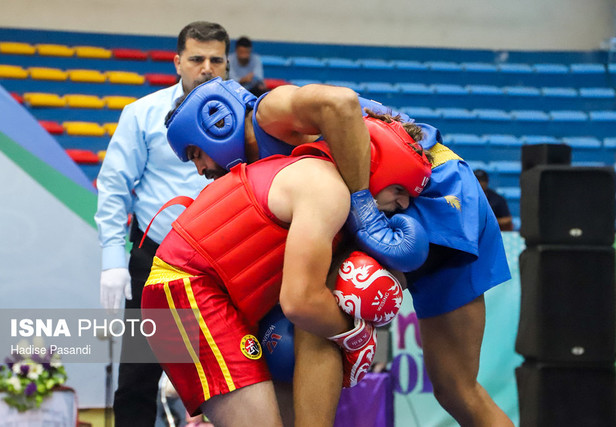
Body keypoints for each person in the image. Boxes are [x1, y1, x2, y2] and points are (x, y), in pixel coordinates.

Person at [167, 77, 515, 426]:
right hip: (460, 195)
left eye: (196, 153)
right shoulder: (270, 173)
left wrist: (363, 206)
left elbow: (343, 103)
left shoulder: (268, 112)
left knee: (314, 306)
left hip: (424, 190)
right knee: (456, 389)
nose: (200, 169)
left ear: (215, 122)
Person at [143, 110, 432, 426]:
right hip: (185, 292)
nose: (403, 205)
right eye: (400, 188)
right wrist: (356, 336)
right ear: (379, 164)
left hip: (210, 297)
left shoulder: (320, 185)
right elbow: (300, 302)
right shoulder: (327, 188)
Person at [94, 21, 229, 427]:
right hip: (157, 259)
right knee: (140, 377)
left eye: (216, 60)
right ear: (177, 62)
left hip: (228, 261)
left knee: (229, 371)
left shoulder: (249, 114)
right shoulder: (143, 114)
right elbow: (115, 187)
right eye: (196, 59)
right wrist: (113, 260)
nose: (207, 67)